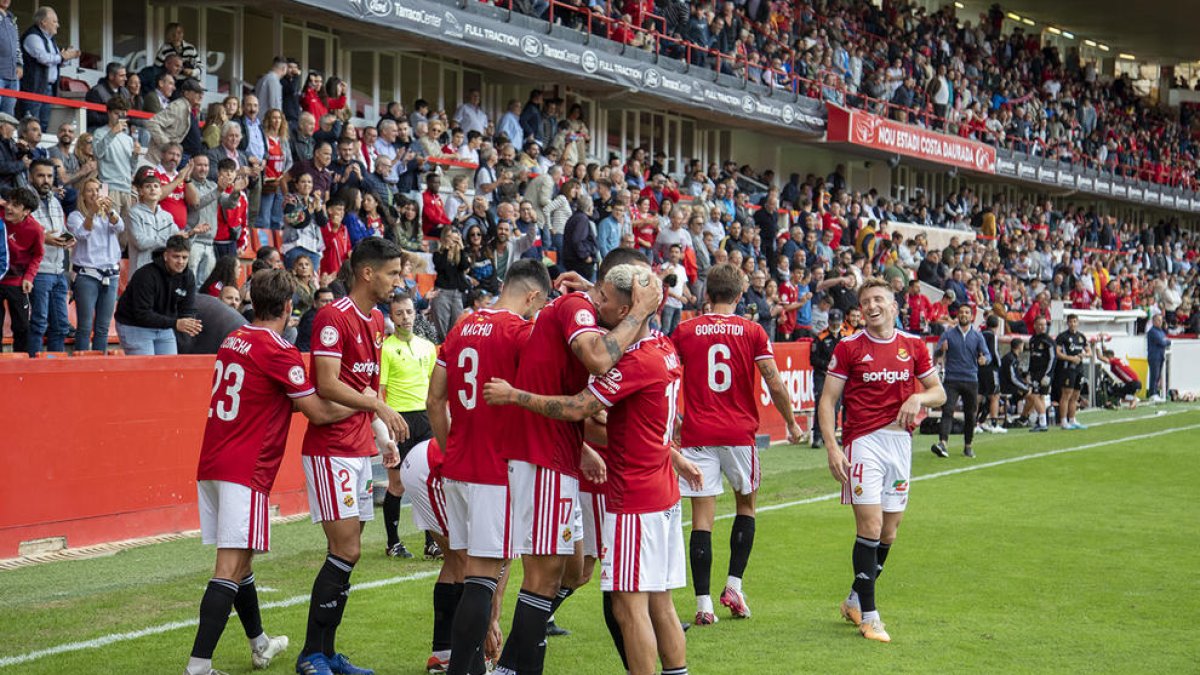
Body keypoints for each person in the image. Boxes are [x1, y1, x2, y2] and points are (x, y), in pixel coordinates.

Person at [483, 262, 698, 675]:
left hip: (635, 498)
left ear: (627, 310)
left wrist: (516, 396)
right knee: (660, 601)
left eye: (604, 299)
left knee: (628, 607)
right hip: (662, 490)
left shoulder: (634, 364)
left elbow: (580, 406)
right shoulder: (665, 348)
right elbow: (629, 427)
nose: (594, 303)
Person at [184, 269, 357, 675]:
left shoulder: (234, 337)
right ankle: (198, 667)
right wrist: (364, 402)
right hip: (246, 467)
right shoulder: (278, 350)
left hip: (213, 461)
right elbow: (316, 411)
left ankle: (259, 643)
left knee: (240, 562)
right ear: (287, 307)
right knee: (228, 567)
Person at [427, 259, 551, 675]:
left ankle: (468, 666)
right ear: (532, 296)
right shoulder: (520, 331)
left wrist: (452, 448)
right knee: (483, 576)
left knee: (470, 573)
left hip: (459, 463)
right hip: (496, 468)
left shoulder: (462, 325)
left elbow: (434, 401)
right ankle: (465, 668)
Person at [295, 238, 408, 675]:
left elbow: (369, 386)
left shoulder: (377, 319)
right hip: (331, 450)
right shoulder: (331, 317)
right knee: (346, 549)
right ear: (367, 273)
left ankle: (327, 651)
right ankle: (311, 654)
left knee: (349, 551)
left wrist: (380, 434)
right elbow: (326, 384)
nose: (398, 281)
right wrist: (377, 407)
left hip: (359, 448)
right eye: (392, 273)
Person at [671, 263, 802, 626]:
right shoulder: (752, 331)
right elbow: (774, 382)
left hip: (698, 435)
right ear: (741, 296)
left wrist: (673, 421)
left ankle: (703, 605)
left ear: (706, 296)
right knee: (746, 507)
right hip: (738, 434)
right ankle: (733, 585)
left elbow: (664, 377)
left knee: (701, 519)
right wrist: (790, 422)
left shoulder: (684, 330)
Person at [818, 278, 945, 644]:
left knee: (889, 531)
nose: (871, 306)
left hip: (899, 445)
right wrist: (832, 445)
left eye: (878, 299)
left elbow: (938, 391)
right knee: (870, 527)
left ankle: (855, 599)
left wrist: (918, 399)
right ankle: (870, 618)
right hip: (863, 444)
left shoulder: (913, 346)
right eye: (865, 301)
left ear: (894, 306)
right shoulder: (849, 347)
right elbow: (828, 401)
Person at [378, 292, 438, 560]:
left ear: (416, 314)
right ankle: (393, 542)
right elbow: (380, 392)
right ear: (392, 316)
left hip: (426, 419)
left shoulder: (427, 347)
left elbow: (436, 387)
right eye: (399, 313)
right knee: (398, 485)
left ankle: (432, 542)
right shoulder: (386, 349)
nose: (405, 318)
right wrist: (384, 427)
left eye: (409, 312)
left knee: (428, 482)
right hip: (399, 419)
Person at [113, 234, 201, 355]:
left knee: (169, 370)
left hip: (165, 326)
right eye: (176, 256)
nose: (181, 261)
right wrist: (175, 323)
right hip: (134, 325)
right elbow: (142, 314)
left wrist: (189, 324)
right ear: (166, 256)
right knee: (146, 371)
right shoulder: (146, 275)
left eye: (185, 257)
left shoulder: (188, 277)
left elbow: (188, 308)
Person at [66, 178, 123, 353]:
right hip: (87, 274)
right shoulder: (76, 216)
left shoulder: (108, 215)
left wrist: (109, 210)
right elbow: (82, 234)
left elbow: (120, 227)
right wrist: (91, 212)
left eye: (97, 190)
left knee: (103, 326)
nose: (94, 194)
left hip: (110, 274)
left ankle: (100, 363)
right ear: (82, 195)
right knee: (84, 325)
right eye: (90, 190)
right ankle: (81, 362)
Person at [931, 304, 990, 458]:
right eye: (961, 312)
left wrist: (984, 359)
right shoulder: (948, 334)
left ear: (971, 316)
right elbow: (936, 353)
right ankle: (943, 444)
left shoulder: (977, 336)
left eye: (967, 312)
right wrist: (942, 349)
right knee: (947, 410)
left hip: (971, 379)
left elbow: (988, 355)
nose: (964, 314)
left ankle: (968, 446)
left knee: (970, 414)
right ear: (957, 315)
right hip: (952, 379)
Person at [26, 158, 72, 355]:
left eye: (49, 176)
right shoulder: (23, 199)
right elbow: (19, 232)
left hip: (58, 270)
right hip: (38, 271)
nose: (46, 180)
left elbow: (62, 229)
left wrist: (69, 238)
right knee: (38, 324)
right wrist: (45, 238)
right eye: (41, 175)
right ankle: (33, 368)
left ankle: (55, 365)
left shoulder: (55, 201)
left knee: (61, 326)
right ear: (31, 177)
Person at [17, 6, 79, 131]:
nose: (58, 25)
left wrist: (67, 57)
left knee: (43, 125)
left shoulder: (50, 40)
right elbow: (44, 59)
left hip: (48, 88)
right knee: (30, 125)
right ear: (43, 22)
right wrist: (62, 57)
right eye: (54, 21)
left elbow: (55, 61)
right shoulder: (33, 37)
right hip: (33, 88)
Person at [0, 186, 43, 354]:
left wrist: (29, 277)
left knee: (22, 327)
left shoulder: (35, 229)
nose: (9, 207)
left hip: (17, 282)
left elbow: (38, 255)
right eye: (9, 202)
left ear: (26, 211)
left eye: (15, 205)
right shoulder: (1, 217)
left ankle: (21, 363)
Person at [92, 97, 139, 219]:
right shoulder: (99, 132)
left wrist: (135, 156)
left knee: (125, 234)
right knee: (105, 228)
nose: (119, 117)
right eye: (116, 113)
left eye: (122, 114)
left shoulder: (128, 139)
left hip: (126, 188)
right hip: (106, 187)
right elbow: (97, 153)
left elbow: (131, 169)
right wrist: (112, 133)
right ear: (108, 113)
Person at [809, 307, 844, 449]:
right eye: (833, 322)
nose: (835, 325)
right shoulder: (820, 338)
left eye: (837, 322)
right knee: (820, 404)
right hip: (822, 375)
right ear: (828, 321)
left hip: (837, 378)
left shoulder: (845, 338)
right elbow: (813, 359)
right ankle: (817, 436)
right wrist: (828, 366)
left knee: (835, 407)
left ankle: (831, 435)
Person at [1055, 314, 1091, 430]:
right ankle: (1063, 421)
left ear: (1078, 323)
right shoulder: (1062, 336)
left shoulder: (1081, 337)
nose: (1073, 324)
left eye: (1075, 321)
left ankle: (1072, 419)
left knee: (1076, 395)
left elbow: (1089, 351)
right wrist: (1071, 358)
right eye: (1071, 322)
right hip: (1068, 369)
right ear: (1067, 323)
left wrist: (1084, 354)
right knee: (1066, 394)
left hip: (1079, 368)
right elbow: (1058, 353)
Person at [976, 315, 1006, 433]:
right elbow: (993, 352)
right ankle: (994, 424)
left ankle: (974, 424)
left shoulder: (980, 334)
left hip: (980, 368)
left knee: (979, 396)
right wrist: (999, 364)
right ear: (997, 325)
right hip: (990, 368)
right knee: (995, 396)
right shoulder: (992, 335)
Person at [1025, 316, 1056, 432]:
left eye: (1045, 325)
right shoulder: (1032, 340)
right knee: (1040, 397)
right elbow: (1032, 358)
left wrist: (1048, 375)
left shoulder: (1048, 341)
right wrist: (1029, 372)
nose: (1043, 327)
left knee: (1035, 396)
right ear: (1035, 326)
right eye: (1041, 324)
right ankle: (1042, 421)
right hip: (1034, 373)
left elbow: (1053, 359)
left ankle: (1043, 422)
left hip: (1043, 373)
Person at [84, 62, 130, 130]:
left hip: (121, 125)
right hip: (99, 127)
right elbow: (91, 117)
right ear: (111, 76)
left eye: (125, 75)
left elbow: (130, 112)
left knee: (143, 133)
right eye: (121, 76)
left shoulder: (125, 92)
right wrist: (113, 119)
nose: (125, 79)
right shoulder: (96, 91)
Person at [0, 0, 20, 117]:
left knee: (8, 118)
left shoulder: (11, 18)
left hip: (12, 76)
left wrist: (19, 64)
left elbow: (17, 44)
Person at [1146, 313, 1169, 402]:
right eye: (1158, 320)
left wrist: (1166, 341)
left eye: (1161, 320)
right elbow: (1162, 342)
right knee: (1154, 375)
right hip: (1154, 356)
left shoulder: (1161, 331)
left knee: (1158, 375)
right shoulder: (1152, 331)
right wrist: (1166, 341)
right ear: (1154, 321)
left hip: (1160, 355)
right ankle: (1152, 393)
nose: (1160, 322)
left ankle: (1155, 393)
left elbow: (1165, 340)